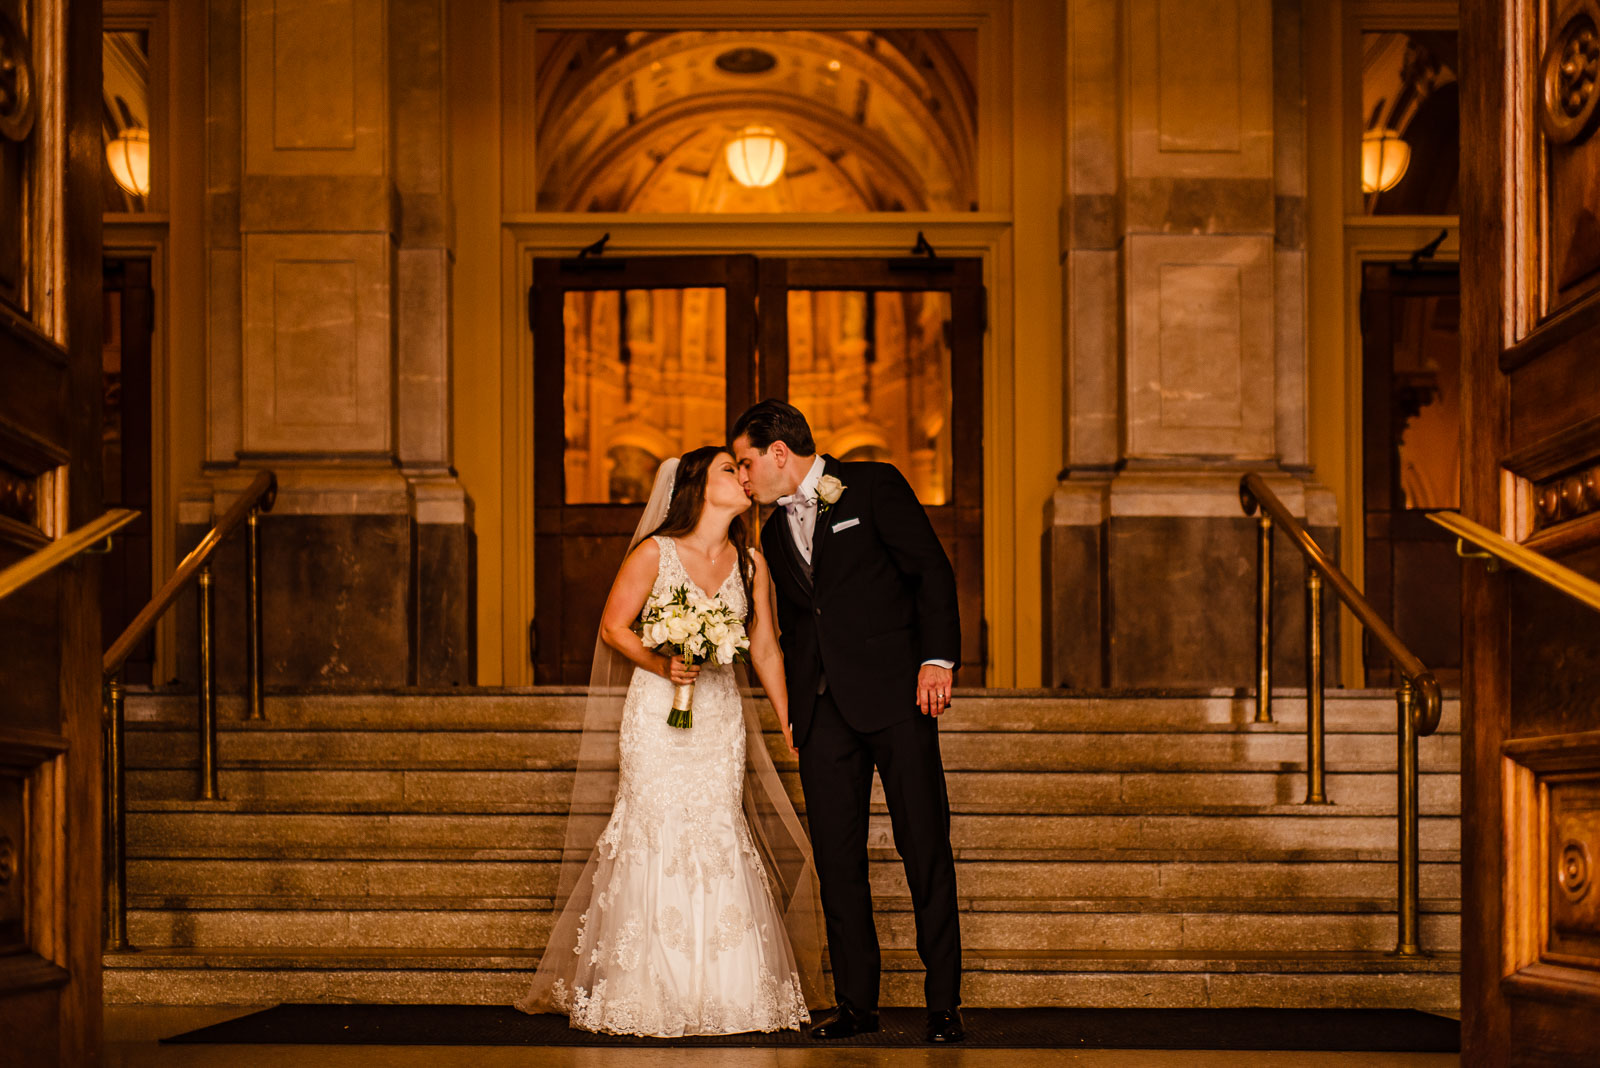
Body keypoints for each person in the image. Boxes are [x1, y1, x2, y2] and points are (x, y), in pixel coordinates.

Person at [515, 445, 823, 1037]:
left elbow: (764, 649)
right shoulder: (655, 552)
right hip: (659, 713)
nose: (744, 476)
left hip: (718, 716)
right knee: (654, 829)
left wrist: (790, 721)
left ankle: (728, 990)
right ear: (699, 488)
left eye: (742, 468)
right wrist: (663, 665)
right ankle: (645, 989)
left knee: (716, 826)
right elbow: (613, 626)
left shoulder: (752, 564)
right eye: (730, 470)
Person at [731, 400, 966, 1044]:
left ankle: (943, 1004)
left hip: (899, 697)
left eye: (748, 462)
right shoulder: (774, 534)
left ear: (779, 452)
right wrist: (797, 713)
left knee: (924, 845)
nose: (744, 477)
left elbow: (930, 573)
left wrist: (936, 659)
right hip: (824, 712)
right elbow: (798, 624)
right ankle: (857, 1004)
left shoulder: (874, 484)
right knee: (837, 858)